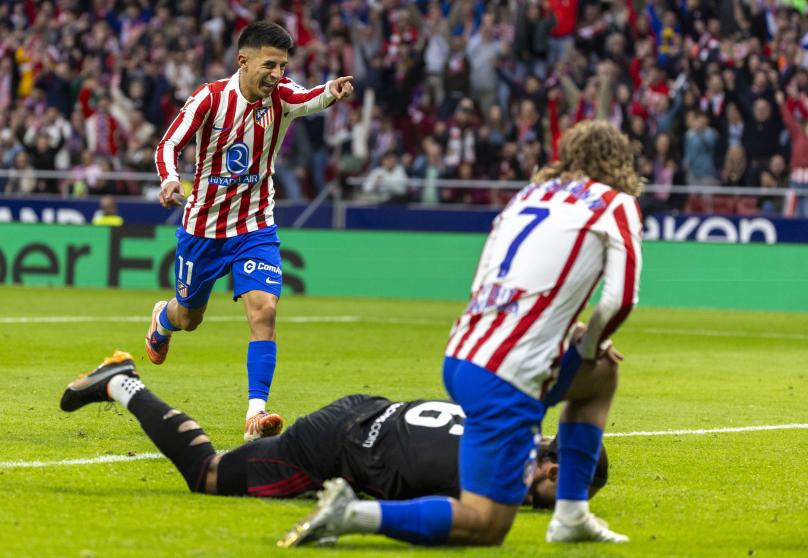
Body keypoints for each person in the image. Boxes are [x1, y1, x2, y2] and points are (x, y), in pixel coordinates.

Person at [280, 120, 642, 547]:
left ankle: (572, 514)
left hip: (462, 354)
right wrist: (588, 341)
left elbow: (494, 277)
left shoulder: (529, 195)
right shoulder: (615, 204)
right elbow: (620, 299)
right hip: (507, 374)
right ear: (618, 162)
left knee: (599, 374)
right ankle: (353, 514)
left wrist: (569, 336)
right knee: (484, 523)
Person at [146, 22, 354, 442]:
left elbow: (309, 98)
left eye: (283, 66)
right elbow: (168, 145)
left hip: (254, 225)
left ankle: (255, 414)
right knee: (189, 318)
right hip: (202, 229)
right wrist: (169, 180)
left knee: (265, 310)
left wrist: (331, 91)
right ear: (243, 61)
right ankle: (163, 320)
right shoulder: (210, 98)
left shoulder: (282, 97)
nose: (277, 74)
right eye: (270, 65)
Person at [58, 351, 609, 506]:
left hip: (364, 412)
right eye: (570, 490)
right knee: (208, 473)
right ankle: (121, 383)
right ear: (558, 467)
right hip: (335, 446)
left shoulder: (508, 423)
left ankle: (119, 380)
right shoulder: (502, 479)